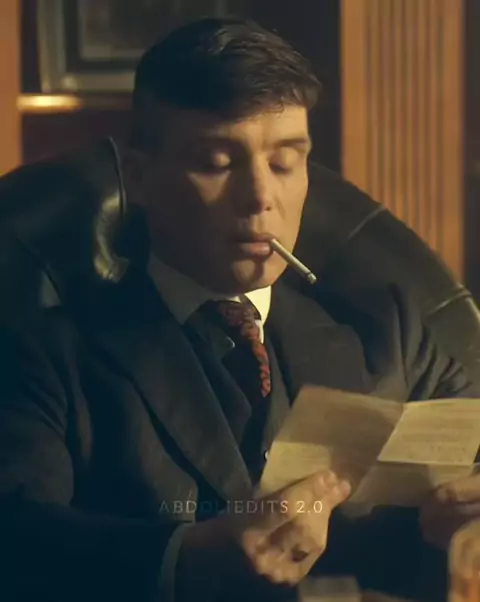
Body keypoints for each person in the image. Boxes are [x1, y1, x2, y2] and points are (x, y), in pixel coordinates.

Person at [0, 16, 479, 602]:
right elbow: (17, 536)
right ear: (142, 178)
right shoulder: (45, 355)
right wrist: (183, 558)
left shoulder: (387, 330)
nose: (259, 198)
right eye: (218, 162)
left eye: (284, 163)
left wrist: (464, 519)